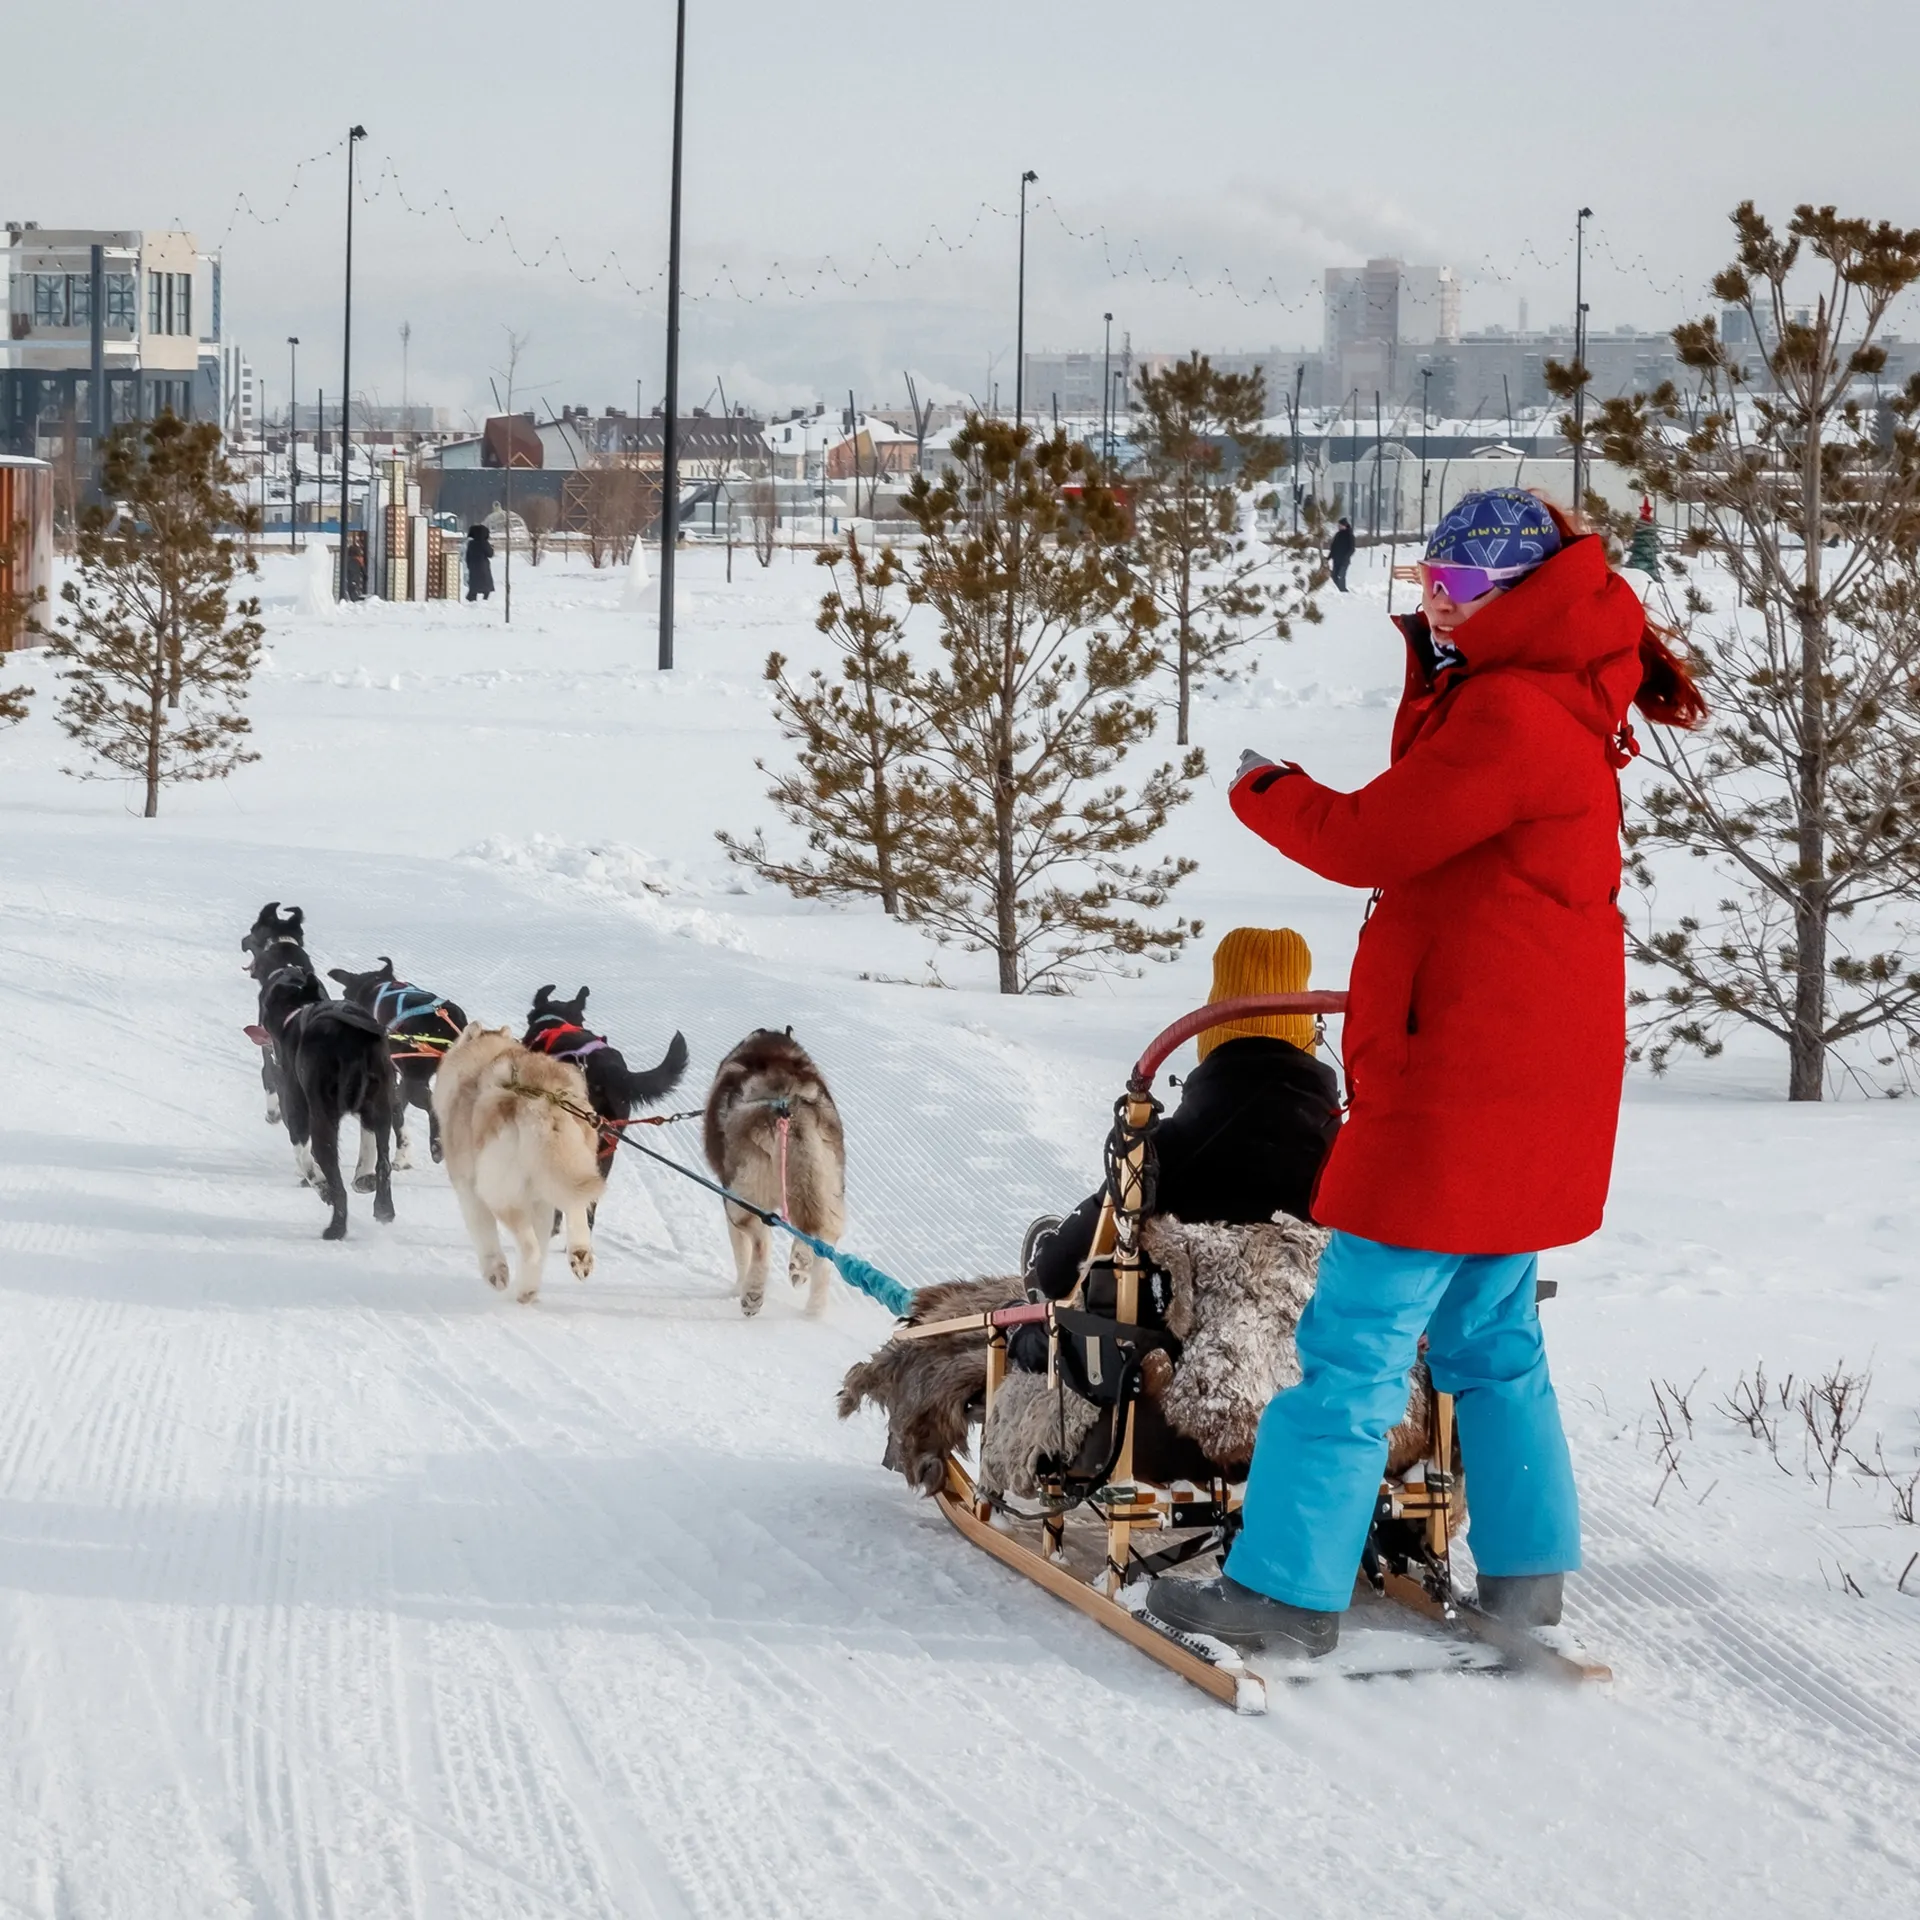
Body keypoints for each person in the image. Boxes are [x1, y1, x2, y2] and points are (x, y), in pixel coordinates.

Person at [1148, 488, 1707, 1657]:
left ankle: (1284, 1594)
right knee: (1495, 1341)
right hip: (1527, 1079)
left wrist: (1266, 790)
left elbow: (1369, 838)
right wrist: (1428, 661)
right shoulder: (1557, 695)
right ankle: (1526, 1584)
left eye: (1452, 592)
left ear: (1512, 596)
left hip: (1458, 1083)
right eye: (1426, 590)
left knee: (1355, 1340)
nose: (1436, 609)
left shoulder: (1512, 714)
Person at [1010, 926, 1340, 1370]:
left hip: (1187, 1363)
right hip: (1324, 1352)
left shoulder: (1170, 1149)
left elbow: (1056, 1274)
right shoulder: (1349, 1154)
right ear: (1308, 1034)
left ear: (1212, 1029)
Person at [465, 523, 495, 602]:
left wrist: (469, 565)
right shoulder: (484, 543)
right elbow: (490, 554)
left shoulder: (471, 544)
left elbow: (467, 556)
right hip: (483, 567)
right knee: (486, 585)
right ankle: (485, 599)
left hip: (473, 567)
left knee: (474, 584)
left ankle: (472, 598)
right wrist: (491, 548)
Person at [1327, 517, 1355, 592]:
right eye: (1338, 525)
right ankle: (1341, 590)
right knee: (1334, 576)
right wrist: (1328, 557)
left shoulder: (1349, 535)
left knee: (1341, 576)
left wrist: (1346, 557)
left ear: (1344, 525)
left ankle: (1343, 591)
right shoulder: (1338, 535)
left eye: (1340, 525)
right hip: (1336, 560)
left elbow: (1352, 549)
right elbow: (1333, 547)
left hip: (1344, 561)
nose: (1338, 527)